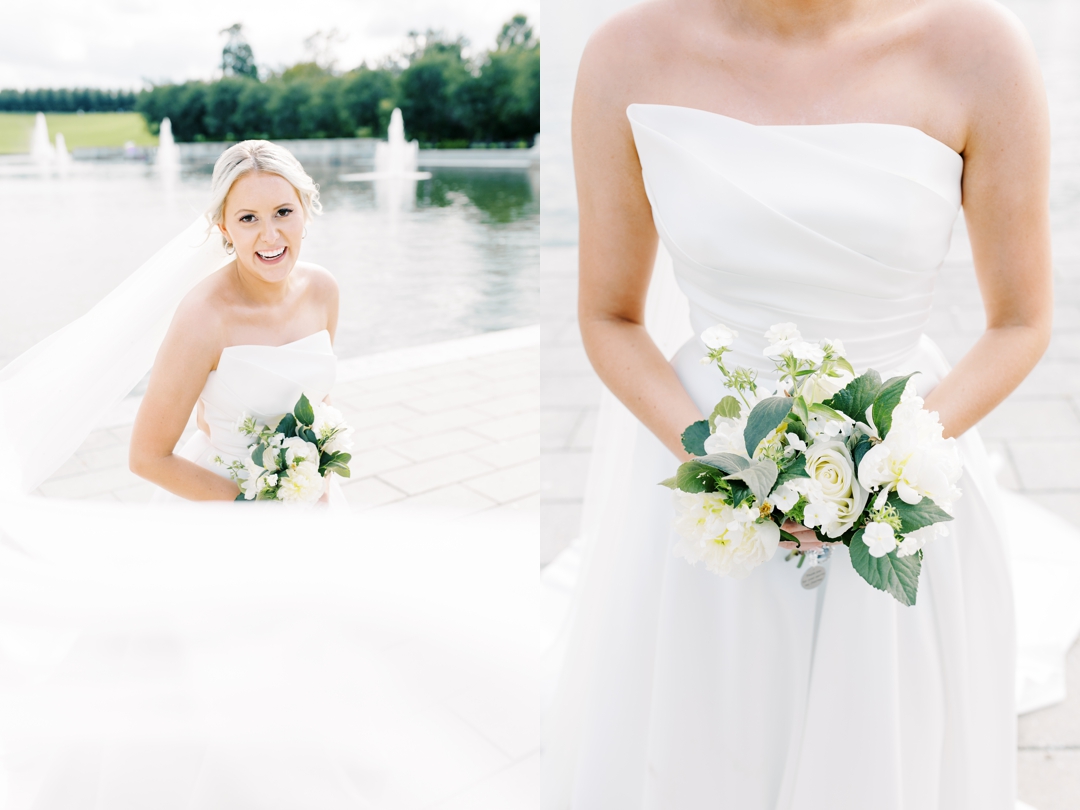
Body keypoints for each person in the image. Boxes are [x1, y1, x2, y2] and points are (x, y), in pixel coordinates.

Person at [543, 0, 1057, 807]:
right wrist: (720, 465)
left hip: (906, 479)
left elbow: (1022, 321)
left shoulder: (979, 48)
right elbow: (609, 315)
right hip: (705, 477)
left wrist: (886, 467)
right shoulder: (625, 56)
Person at [128, 140, 344, 505]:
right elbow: (146, 458)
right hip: (222, 506)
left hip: (306, 498)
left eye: (283, 212)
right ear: (224, 228)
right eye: (248, 218)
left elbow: (318, 401)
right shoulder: (203, 317)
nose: (270, 235)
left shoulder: (323, 290)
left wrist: (316, 476)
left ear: (304, 211)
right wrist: (256, 509)